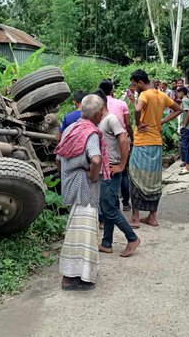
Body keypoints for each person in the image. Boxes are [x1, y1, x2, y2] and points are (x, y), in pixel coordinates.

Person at [55, 95, 110, 290]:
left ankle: (71, 274)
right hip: (85, 187)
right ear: (96, 114)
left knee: (74, 229)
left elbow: (59, 157)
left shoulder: (71, 128)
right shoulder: (91, 133)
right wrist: (93, 176)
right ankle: (77, 276)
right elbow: (96, 160)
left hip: (71, 184)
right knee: (84, 232)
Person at [129, 69, 182, 227]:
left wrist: (138, 124)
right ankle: (152, 216)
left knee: (135, 177)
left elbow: (137, 109)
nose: (134, 87)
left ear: (140, 83)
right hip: (156, 142)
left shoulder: (145, 94)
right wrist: (162, 122)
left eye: (134, 84)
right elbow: (178, 109)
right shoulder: (161, 94)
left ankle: (135, 218)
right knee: (153, 179)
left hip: (143, 141)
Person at [92, 90, 140, 257]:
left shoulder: (111, 119)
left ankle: (132, 238)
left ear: (100, 105)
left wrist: (121, 165)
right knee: (108, 207)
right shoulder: (102, 120)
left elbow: (124, 140)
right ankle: (107, 242)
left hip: (111, 170)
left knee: (109, 208)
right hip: (107, 169)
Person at [99, 80, 133, 211]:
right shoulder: (121, 103)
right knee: (123, 173)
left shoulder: (98, 106)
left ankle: (111, 208)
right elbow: (128, 124)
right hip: (120, 142)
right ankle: (124, 203)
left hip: (105, 145)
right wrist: (133, 138)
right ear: (112, 91)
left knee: (106, 177)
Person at [178, 87, 189, 175]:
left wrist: (184, 125)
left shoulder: (185, 100)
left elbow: (188, 113)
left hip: (187, 127)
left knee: (185, 146)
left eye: (179, 93)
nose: (178, 95)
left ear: (182, 93)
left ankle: (188, 166)